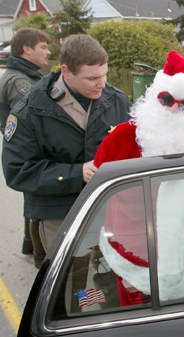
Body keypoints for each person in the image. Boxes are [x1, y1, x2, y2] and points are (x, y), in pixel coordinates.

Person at [94, 50, 184, 306]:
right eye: (167, 100)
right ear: (155, 96)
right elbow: (99, 182)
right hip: (134, 269)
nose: (175, 109)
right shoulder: (121, 139)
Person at [2, 34, 131, 266]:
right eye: (92, 78)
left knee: (110, 279)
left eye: (105, 75)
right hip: (59, 214)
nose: (102, 84)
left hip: (110, 208)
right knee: (72, 284)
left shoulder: (118, 101)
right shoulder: (30, 112)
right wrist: (77, 173)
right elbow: (17, 170)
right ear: (66, 72)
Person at [0, 28, 51, 259]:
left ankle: (30, 244)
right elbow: (36, 121)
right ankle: (42, 255)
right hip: (31, 153)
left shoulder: (24, 76)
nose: (48, 52)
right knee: (37, 206)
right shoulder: (21, 82)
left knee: (33, 205)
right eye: (43, 47)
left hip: (27, 152)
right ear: (26, 49)